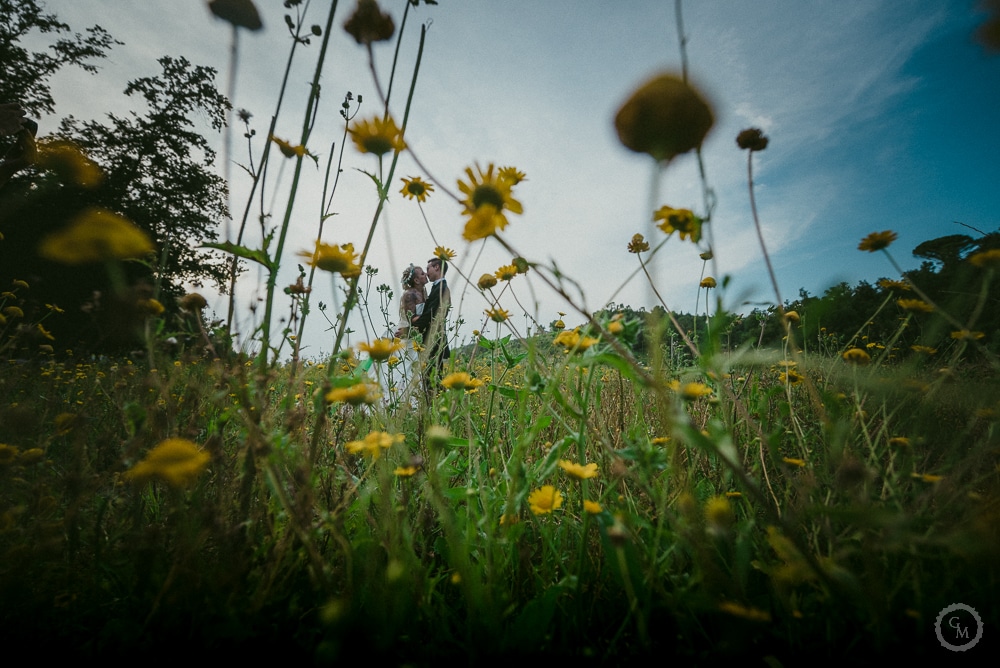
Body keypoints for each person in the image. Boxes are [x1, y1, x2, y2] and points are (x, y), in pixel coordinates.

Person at [384, 263, 427, 406]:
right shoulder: (410, 295)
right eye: (422, 274)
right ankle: (398, 403)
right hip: (407, 336)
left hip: (417, 337)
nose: (425, 274)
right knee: (404, 371)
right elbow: (411, 319)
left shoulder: (424, 292)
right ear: (415, 280)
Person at [411, 256, 451, 390]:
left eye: (428, 269)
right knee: (431, 377)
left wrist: (411, 327)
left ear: (437, 267)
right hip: (431, 339)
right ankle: (434, 405)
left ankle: (437, 407)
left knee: (433, 379)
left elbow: (431, 315)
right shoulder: (436, 287)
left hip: (434, 340)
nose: (427, 273)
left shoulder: (442, 288)